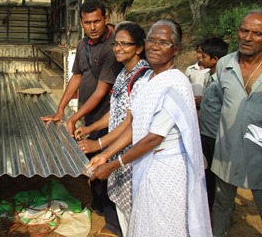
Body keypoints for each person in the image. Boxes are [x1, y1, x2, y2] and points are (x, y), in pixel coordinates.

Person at [90, 19, 211, 236]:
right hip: (146, 163)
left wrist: (113, 163)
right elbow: (134, 124)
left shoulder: (175, 83)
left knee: (163, 224)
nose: (155, 46)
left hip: (167, 169)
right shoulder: (146, 78)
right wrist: (104, 154)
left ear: (177, 49)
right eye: (152, 40)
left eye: (163, 42)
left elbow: (154, 137)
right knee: (145, 221)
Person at [41, 0, 123, 236]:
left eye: (97, 20)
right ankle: (98, 206)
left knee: (108, 166)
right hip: (91, 118)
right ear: (81, 23)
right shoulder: (83, 44)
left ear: (106, 19)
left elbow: (100, 90)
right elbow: (76, 77)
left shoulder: (111, 47)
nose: (93, 26)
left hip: (110, 118)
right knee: (94, 162)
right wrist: (61, 109)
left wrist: (73, 117)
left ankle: (113, 223)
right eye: (87, 22)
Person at [77, 21, 149, 236]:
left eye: (125, 44)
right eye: (116, 44)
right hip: (117, 145)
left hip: (131, 148)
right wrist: (91, 127)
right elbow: (115, 113)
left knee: (133, 203)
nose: (118, 48)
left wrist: (98, 144)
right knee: (119, 196)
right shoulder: (123, 74)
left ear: (138, 48)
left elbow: (129, 124)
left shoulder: (142, 78)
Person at [211, 10, 262, 237]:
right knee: (222, 204)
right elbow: (221, 102)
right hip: (227, 151)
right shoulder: (224, 64)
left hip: (259, 154)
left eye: (257, 33)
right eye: (244, 30)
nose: (247, 37)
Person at [198, 37, 228, 210]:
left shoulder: (223, 81)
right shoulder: (209, 76)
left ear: (215, 59)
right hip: (206, 133)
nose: (200, 59)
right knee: (207, 171)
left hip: (216, 135)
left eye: (204, 56)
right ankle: (209, 205)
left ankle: (221, 207)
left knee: (217, 174)